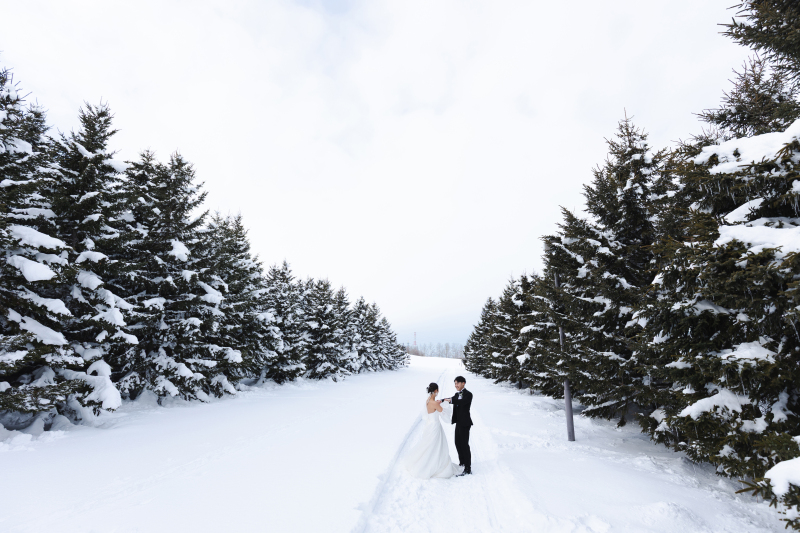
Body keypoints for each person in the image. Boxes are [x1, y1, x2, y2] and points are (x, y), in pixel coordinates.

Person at [404, 383, 459, 479]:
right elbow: (444, 413)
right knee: (436, 446)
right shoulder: (434, 403)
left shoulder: (428, 400)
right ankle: (432, 465)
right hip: (435, 426)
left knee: (429, 445)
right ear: (436, 391)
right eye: (438, 390)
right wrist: (444, 404)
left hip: (429, 425)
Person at [443, 376, 472, 475]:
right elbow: (451, 399)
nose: (456, 385)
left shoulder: (468, 394)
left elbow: (461, 402)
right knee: (457, 443)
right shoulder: (457, 394)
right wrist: (442, 400)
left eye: (457, 383)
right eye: (455, 384)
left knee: (464, 445)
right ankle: (462, 463)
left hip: (465, 423)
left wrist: (451, 400)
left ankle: (468, 468)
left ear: (463, 383)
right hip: (458, 423)